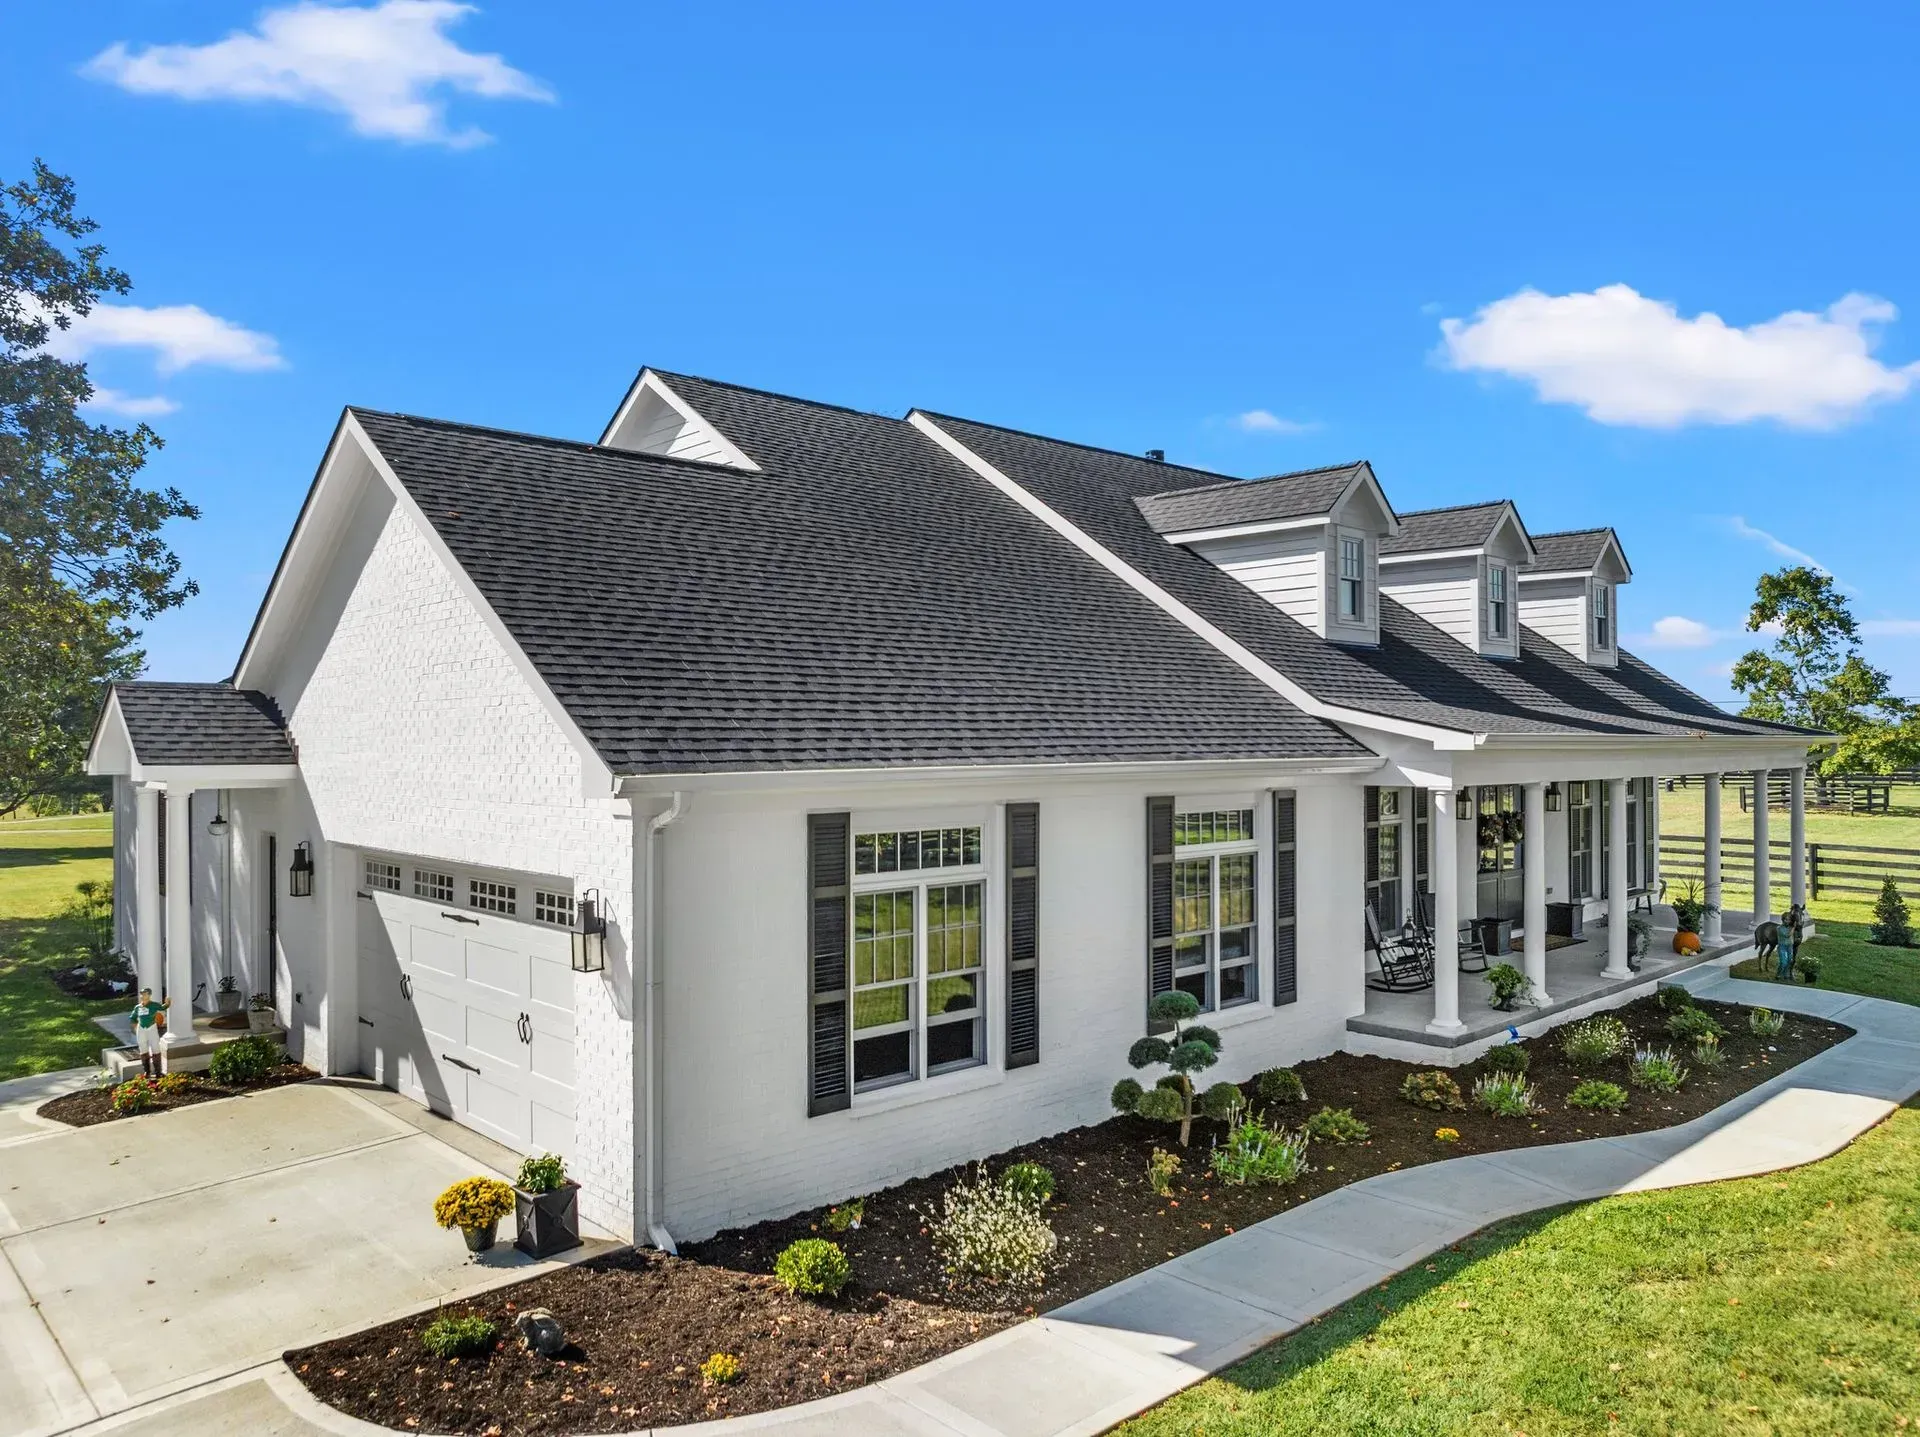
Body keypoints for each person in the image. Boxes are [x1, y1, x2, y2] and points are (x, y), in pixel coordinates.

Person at [130, 988, 171, 1077]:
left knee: (155, 1047)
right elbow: (133, 1017)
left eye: (145, 994)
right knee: (143, 1048)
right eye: (141, 994)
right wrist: (134, 1026)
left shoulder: (154, 1005)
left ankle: (158, 1072)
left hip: (151, 1027)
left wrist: (167, 1003)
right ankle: (147, 1071)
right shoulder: (138, 1007)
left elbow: (162, 1007)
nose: (143, 996)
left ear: (149, 995)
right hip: (141, 1029)